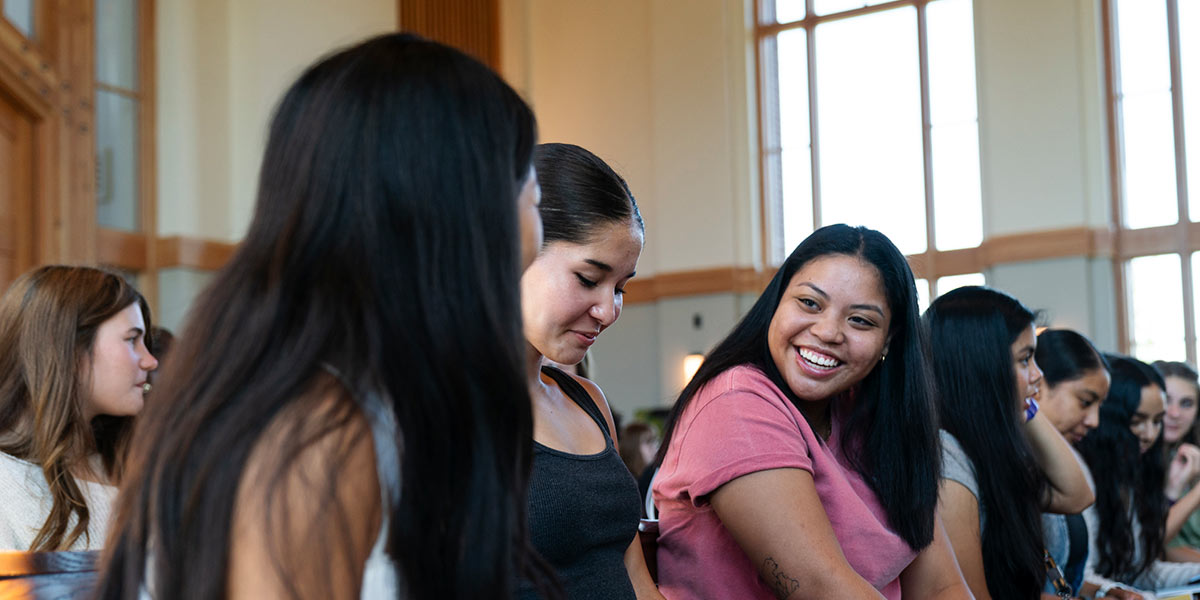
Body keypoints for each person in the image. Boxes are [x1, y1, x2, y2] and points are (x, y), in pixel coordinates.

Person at [95, 33, 557, 600]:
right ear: (455, 209)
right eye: (530, 190)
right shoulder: (316, 430)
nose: (537, 221)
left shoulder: (345, 395)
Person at [652, 224, 971, 599]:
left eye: (861, 321)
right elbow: (821, 589)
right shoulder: (736, 401)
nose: (828, 331)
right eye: (809, 303)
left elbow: (941, 587)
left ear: (890, 340)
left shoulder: (871, 418)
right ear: (777, 301)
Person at [519, 142, 660, 599]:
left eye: (620, 287)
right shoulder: (439, 409)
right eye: (588, 278)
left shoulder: (588, 401)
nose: (608, 309)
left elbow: (637, 581)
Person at [928, 287, 1093, 600]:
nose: (1038, 374)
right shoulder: (946, 455)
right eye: (1025, 359)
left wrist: (1023, 404)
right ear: (981, 366)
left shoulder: (989, 450)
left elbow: (1077, 495)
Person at [0, 265, 157, 551]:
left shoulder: (135, 470)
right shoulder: (6, 483)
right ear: (68, 349)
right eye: (132, 339)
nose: (150, 361)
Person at [1078, 355, 1200, 596]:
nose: (1150, 434)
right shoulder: (1087, 475)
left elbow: (1139, 567)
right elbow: (1082, 577)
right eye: (1138, 421)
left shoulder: (1134, 470)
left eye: (1157, 421)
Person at [1034, 328, 1112, 598]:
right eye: (1085, 402)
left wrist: (1103, 592)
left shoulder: (1067, 457)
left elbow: (1063, 576)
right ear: (1038, 384)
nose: (1094, 421)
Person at [1152, 361, 1200, 560]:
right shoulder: (1134, 462)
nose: (1175, 413)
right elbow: (1157, 545)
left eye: (1186, 403)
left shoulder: (1189, 455)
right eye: (1166, 400)